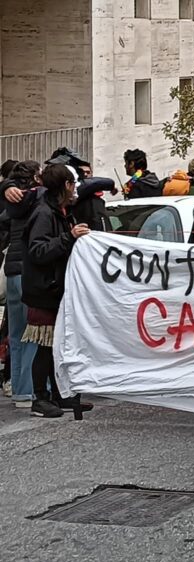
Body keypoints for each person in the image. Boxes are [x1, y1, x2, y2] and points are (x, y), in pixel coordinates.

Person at [21, 164, 92, 418]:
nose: (75, 188)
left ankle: (59, 395)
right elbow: (38, 250)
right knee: (45, 345)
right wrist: (68, 237)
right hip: (44, 291)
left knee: (57, 346)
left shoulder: (61, 211)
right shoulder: (43, 213)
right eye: (73, 183)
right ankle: (40, 398)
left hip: (56, 290)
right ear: (65, 186)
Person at [1, 161, 42, 410]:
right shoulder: (37, 199)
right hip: (27, 272)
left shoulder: (12, 204)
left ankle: (17, 388)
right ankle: (29, 390)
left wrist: (6, 186)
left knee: (15, 334)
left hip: (11, 271)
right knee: (32, 333)